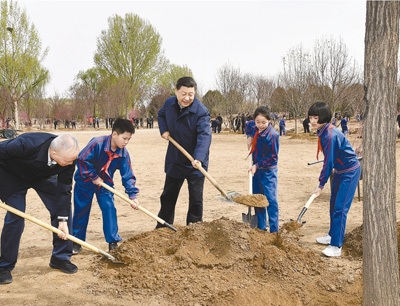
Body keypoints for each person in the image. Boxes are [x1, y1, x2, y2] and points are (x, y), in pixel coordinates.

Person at [0, 133, 80, 284]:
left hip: (41, 176)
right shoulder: (26, 144)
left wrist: (62, 221)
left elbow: (64, 189)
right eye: (68, 160)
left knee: (62, 208)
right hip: (11, 176)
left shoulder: (69, 159)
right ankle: (4, 265)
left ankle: (60, 258)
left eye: (73, 160)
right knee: (16, 216)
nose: (71, 163)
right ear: (55, 153)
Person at [72, 118, 139, 254]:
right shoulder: (97, 143)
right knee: (81, 210)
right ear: (114, 134)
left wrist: (132, 195)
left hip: (105, 184)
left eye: (128, 139)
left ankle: (113, 241)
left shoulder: (123, 153)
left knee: (109, 208)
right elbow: (82, 159)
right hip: (84, 182)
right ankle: (77, 241)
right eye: (124, 138)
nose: (126, 142)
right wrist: (93, 176)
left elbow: (128, 174)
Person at [156, 76, 211, 228]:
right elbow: (161, 115)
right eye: (183, 94)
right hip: (176, 158)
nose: (187, 98)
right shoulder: (169, 103)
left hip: (195, 162)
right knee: (168, 196)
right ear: (176, 91)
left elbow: (204, 137)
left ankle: (194, 228)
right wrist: (164, 129)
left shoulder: (201, 112)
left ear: (195, 93)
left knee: (196, 199)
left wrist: (199, 158)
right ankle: (163, 226)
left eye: (191, 94)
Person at [308, 102, 361, 257]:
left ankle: (336, 246)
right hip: (339, 171)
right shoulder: (323, 131)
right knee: (333, 205)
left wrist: (321, 185)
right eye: (311, 117)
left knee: (340, 208)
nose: (312, 121)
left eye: (316, 117)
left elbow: (328, 162)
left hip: (349, 172)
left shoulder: (330, 134)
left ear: (324, 117)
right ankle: (332, 235)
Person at [245, 106, 279, 232]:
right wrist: (249, 136)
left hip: (268, 171)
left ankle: (274, 230)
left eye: (263, 122)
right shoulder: (253, 126)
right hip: (256, 169)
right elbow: (247, 124)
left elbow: (273, 157)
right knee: (258, 199)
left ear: (269, 120)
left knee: (270, 200)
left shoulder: (273, 135)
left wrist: (257, 165)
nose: (260, 125)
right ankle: (261, 227)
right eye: (257, 122)